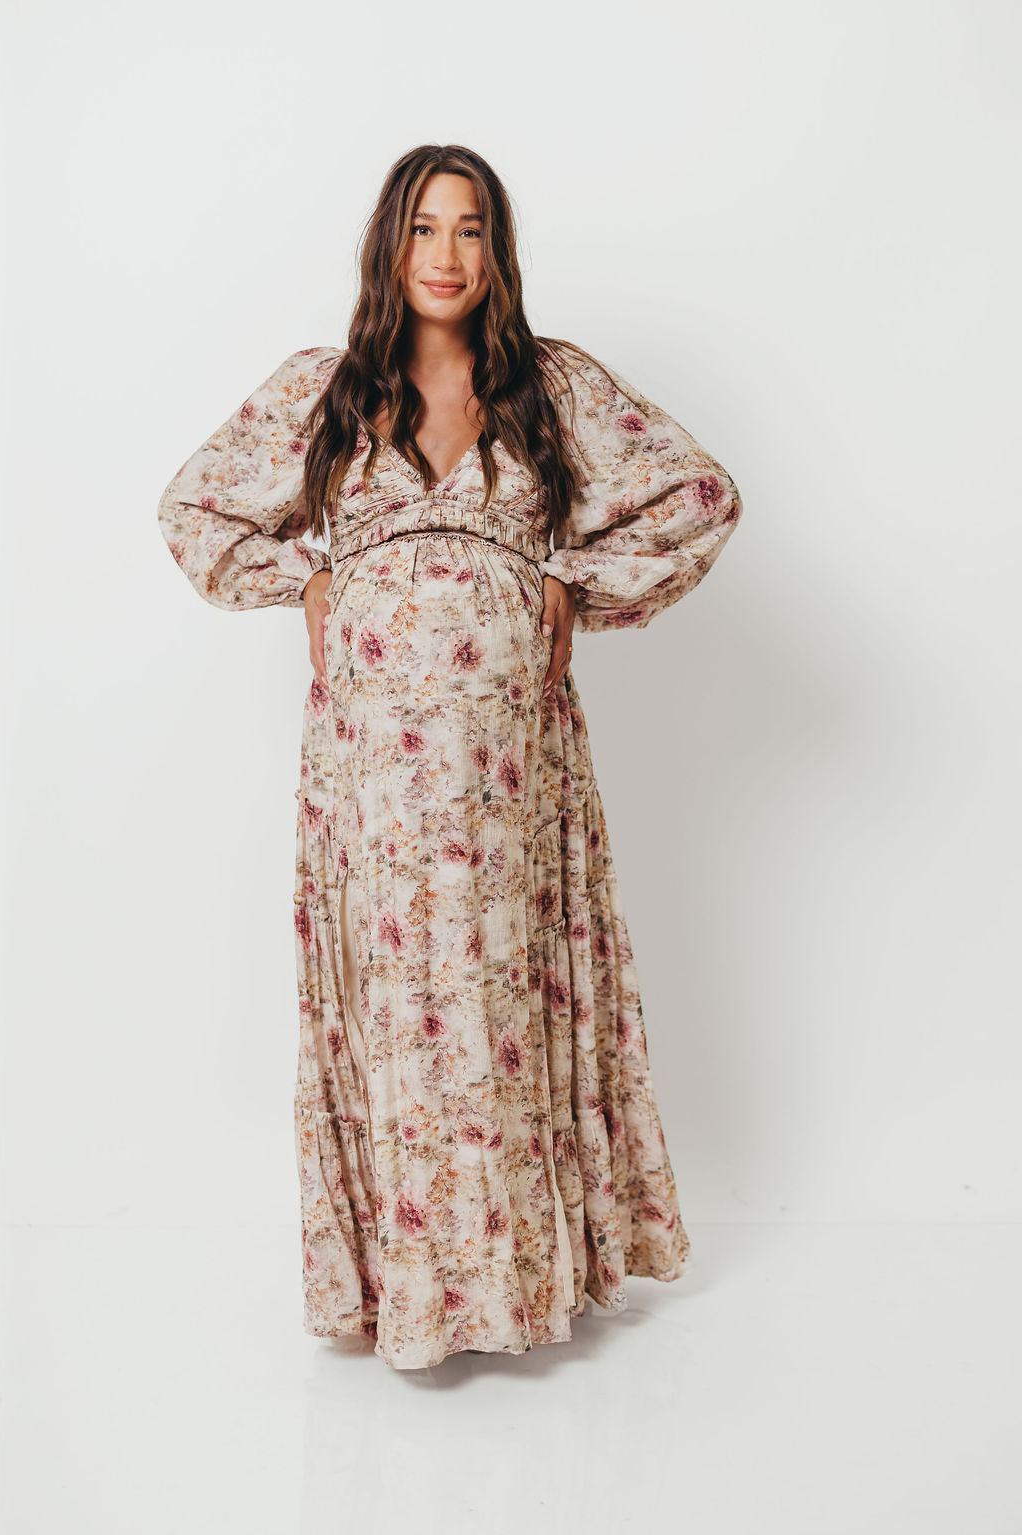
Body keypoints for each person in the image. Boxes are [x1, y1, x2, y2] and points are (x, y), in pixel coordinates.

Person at [156, 143, 743, 1372]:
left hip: (509, 773)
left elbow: (699, 495)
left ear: (497, 252)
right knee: (398, 1006)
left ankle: (517, 1286)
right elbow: (193, 506)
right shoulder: (327, 390)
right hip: (372, 776)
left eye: (470, 229)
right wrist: (303, 575)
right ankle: (410, 1291)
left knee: (500, 1001)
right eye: (424, 228)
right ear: (390, 246)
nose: (446, 254)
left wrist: (574, 581)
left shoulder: (549, 386)